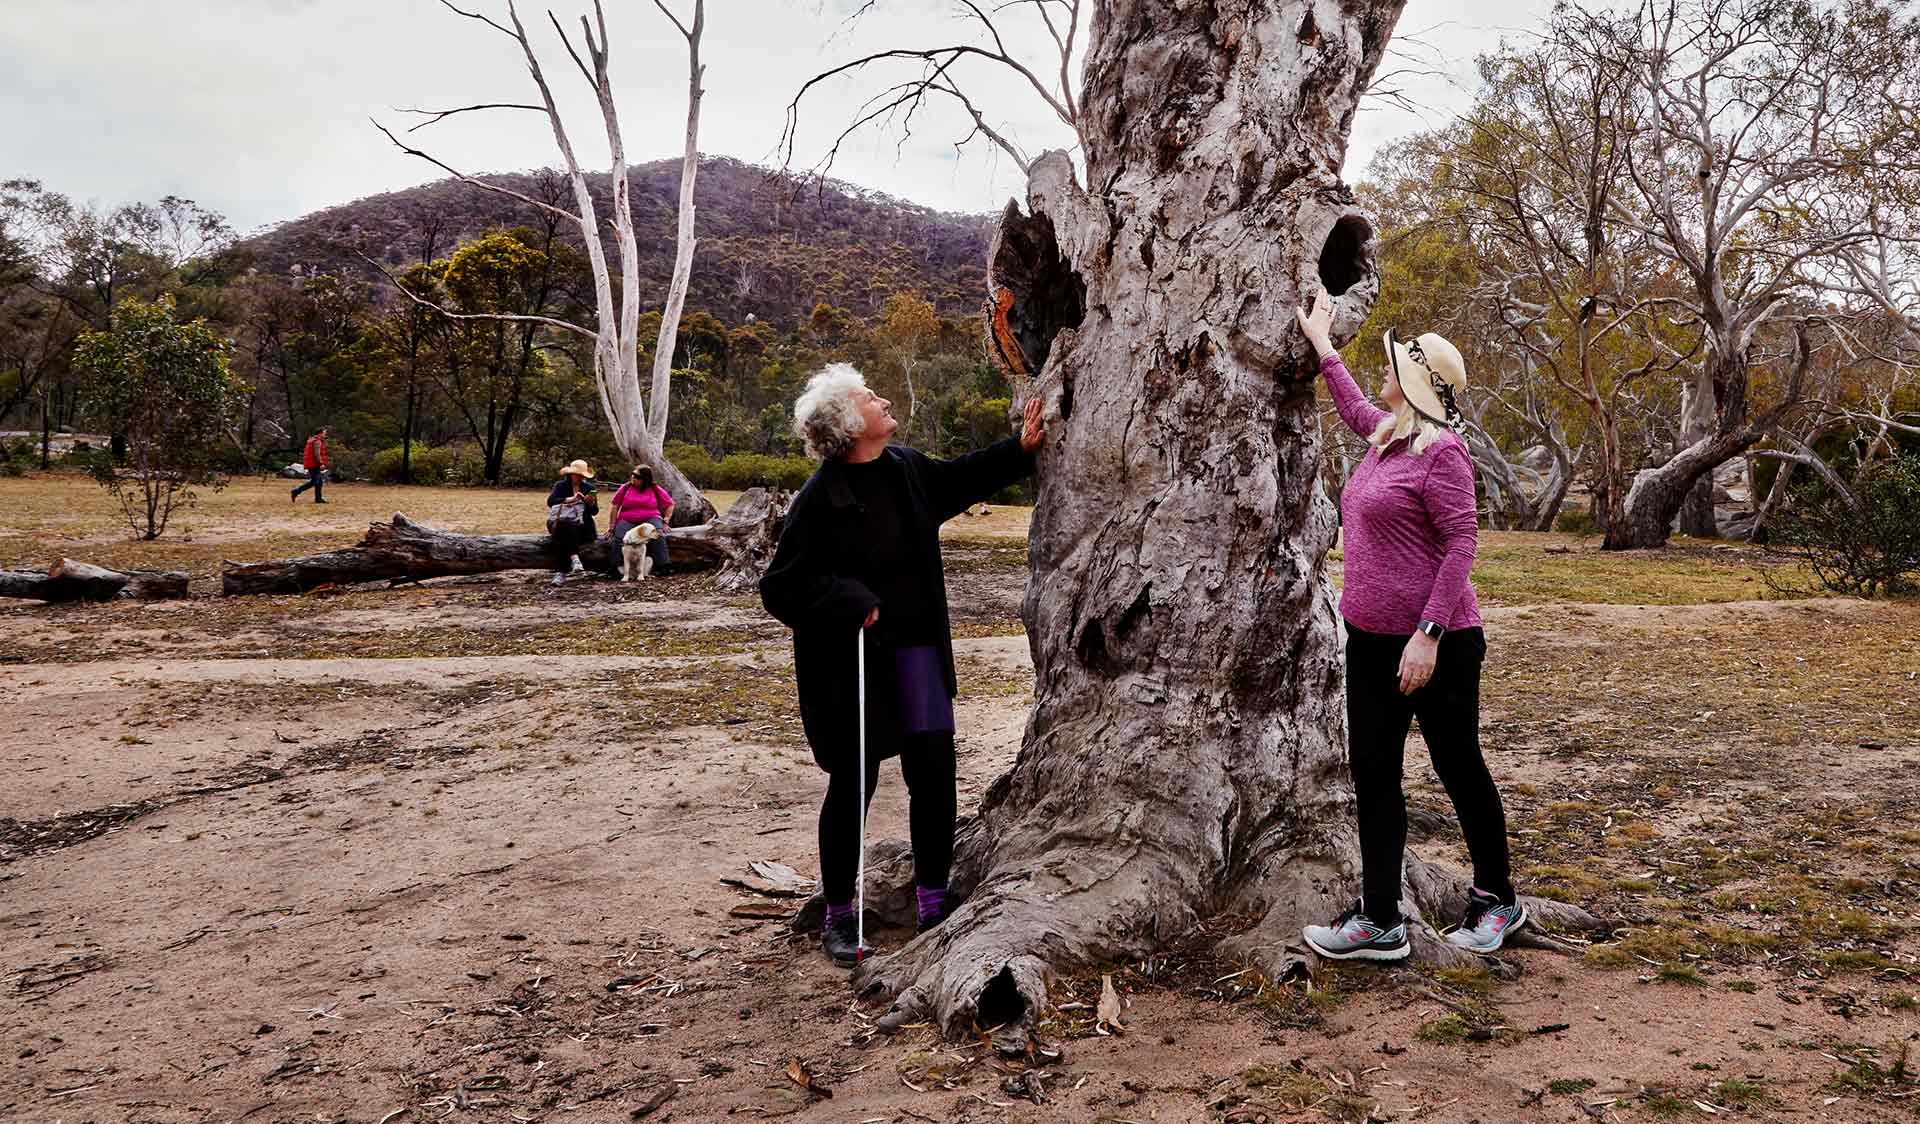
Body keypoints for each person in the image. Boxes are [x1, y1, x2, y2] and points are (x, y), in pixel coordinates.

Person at [760, 363, 1045, 968]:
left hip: (916, 651)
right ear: (846, 424)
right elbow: (781, 587)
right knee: (853, 784)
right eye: (869, 396)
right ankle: (840, 915)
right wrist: (849, 599)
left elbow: (960, 477)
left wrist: (1017, 448)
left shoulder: (907, 469)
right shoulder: (818, 498)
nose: (882, 398)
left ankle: (934, 903)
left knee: (935, 775)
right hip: (851, 666)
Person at [1293, 287, 1525, 961]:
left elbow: (1461, 544)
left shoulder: (1442, 452)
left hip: (1439, 646)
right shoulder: (1386, 438)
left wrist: (1429, 632)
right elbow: (1353, 403)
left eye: (1395, 365)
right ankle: (1380, 918)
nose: (1384, 371)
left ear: (1419, 384)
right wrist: (1321, 342)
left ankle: (1496, 901)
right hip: (1367, 641)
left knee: (1459, 768)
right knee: (1373, 772)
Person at [606, 465, 674, 578]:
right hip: (627, 519)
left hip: (651, 517)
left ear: (645, 479)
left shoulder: (655, 488)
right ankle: (614, 568)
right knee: (619, 537)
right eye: (632, 474)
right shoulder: (625, 488)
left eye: (637, 476)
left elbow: (670, 504)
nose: (633, 477)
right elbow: (615, 506)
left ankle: (664, 566)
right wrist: (612, 526)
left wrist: (666, 520)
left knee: (658, 535)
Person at [545, 459, 598, 586]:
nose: (580, 478)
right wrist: (570, 499)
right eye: (577, 475)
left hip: (582, 525)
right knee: (566, 528)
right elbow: (551, 502)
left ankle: (561, 573)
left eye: (582, 476)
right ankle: (574, 559)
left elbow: (594, 512)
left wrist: (590, 503)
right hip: (560, 521)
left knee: (564, 535)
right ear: (570, 474)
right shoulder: (560, 485)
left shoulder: (589, 488)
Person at [291, 426, 329, 504]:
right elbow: (317, 454)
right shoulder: (317, 441)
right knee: (315, 481)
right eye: (324, 433)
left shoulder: (311, 440)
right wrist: (321, 463)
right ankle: (296, 491)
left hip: (311, 463)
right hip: (314, 464)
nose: (325, 435)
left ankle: (318, 498)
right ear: (320, 433)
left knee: (319, 482)